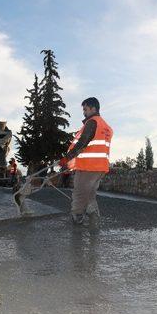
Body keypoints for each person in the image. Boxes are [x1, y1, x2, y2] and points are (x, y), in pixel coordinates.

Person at [59, 97, 113, 230]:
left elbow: (82, 143)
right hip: (100, 167)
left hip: (88, 167)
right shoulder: (106, 127)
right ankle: (94, 223)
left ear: (93, 108)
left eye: (85, 109)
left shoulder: (92, 123)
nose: (84, 112)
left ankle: (77, 219)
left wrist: (67, 158)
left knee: (79, 193)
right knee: (89, 194)